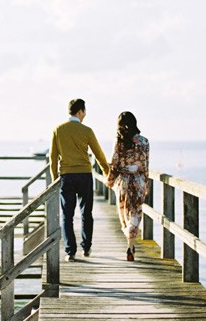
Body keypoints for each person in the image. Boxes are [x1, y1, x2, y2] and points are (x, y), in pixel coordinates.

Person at [50, 99, 111, 262]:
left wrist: (55, 179)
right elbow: (99, 154)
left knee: (67, 215)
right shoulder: (87, 130)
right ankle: (86, 248)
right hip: (84, 175)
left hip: (66, 176)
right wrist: (107, 172)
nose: (85, 115)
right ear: (80, 112)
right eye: (85, 111)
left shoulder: (58, 130)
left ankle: (70, 252)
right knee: (86, 212)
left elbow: (53, 157)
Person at [104, 111, 150, 261]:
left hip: (123, 182)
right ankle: (131, 244)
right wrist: (146, 184)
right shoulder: (144, 142)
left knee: (124, 214)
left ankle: (129, 240)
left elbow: (114, 164)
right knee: (136, 212)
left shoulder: (119, 141)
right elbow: (145, 166)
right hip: (138, 182)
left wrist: (109, 180)